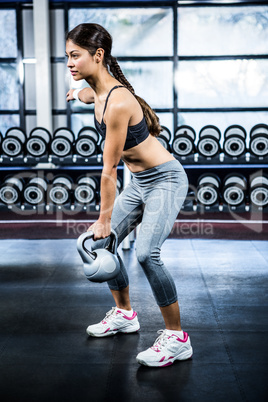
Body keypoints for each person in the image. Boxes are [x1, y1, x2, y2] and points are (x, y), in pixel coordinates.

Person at [66, 23, 193, 368]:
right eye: (67, 56)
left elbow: (108, 171)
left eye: (75, 55)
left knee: (146, 254)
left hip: (165, 179)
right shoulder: (98, 92)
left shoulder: (119, 102)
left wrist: (105, 219)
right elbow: (90, 95)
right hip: (138, 183)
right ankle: (125, 314)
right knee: (101, 245)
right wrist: (76, 95)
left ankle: (177, 337)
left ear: (98, 55)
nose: (70, 63)